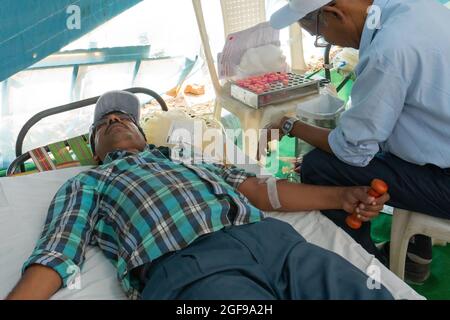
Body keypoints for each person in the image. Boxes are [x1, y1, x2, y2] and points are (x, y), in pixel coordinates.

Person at [6, 91, 393, 300]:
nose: (117, 122)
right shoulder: (87, 182)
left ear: (143, 135)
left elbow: (260, 190)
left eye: (124, 118)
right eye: (105, 124)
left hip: (276, 244)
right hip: (190, 267)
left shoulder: (185, 156)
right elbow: (58, 253)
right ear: (95, 150)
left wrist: (341, 196)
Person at [265, 0, 450, 283]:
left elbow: (352, 150)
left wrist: (289, 124)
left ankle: (358, 268)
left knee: (320, 166)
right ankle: (415, 256)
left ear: (335, 14)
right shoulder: (414, 7)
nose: (325, 40)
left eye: (319, 34)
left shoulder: (389, 49)